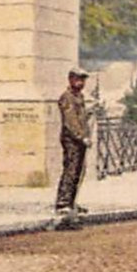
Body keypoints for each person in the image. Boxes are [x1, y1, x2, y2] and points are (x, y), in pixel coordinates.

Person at [55, 69, 93, 223]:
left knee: (78, 171)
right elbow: (70, 121)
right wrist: (82, 137)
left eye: (83, 80)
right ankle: (63, 203)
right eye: (78, 79)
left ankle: (71, 202)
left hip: (79, 140)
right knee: (71, 170)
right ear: (70, 79)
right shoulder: (67, 97)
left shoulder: (79, 97)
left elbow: (80, 117)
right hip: (72, 140)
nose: (81, 83)